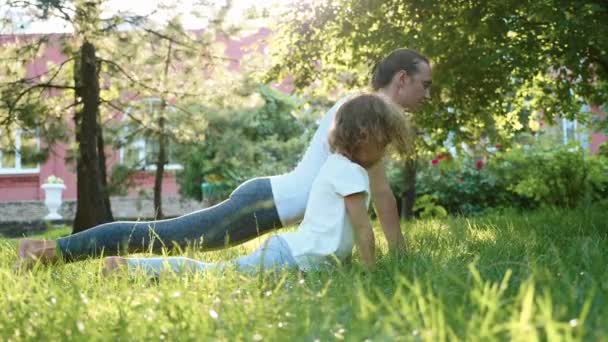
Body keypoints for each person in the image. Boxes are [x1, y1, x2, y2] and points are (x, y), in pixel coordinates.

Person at [15, 48, 432, 269]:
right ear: (402, 79)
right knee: (162, 235)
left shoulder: (365, 111)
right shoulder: (367, 117)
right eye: (424, 85)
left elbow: (379, 196)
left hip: (265, 202)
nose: (426, 95)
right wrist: (398, 259)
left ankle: (53, 252)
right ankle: (48, 251)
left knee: (164, 236)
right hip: (262, 205)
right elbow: (383, 198)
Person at [103, 93, 410, 277]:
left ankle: (131, 267)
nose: (385, 149)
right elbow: (362, 229)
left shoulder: (338, 166)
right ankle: (130, 268)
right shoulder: (350, 173)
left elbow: (338, 235)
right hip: (291, 259)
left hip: (294, 258)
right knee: (216, 274)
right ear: (363, 136)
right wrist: (372, 274)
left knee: (220, 274)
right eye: (383, 141)